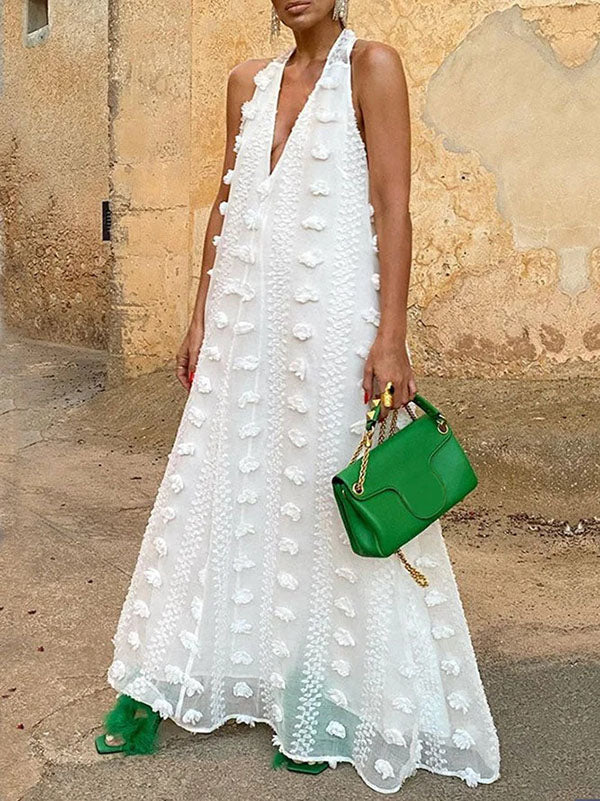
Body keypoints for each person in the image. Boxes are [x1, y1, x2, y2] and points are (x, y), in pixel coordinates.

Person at [96, 0, 501, 793]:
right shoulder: (245, 82)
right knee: (209, 488)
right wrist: (201, 313)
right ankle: (154, 678)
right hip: (244, 321)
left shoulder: (373, 67)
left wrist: (391, 337)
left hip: (333, 323)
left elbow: (392, 206)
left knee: (325, 498)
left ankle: (319, 700)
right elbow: (227, 205)